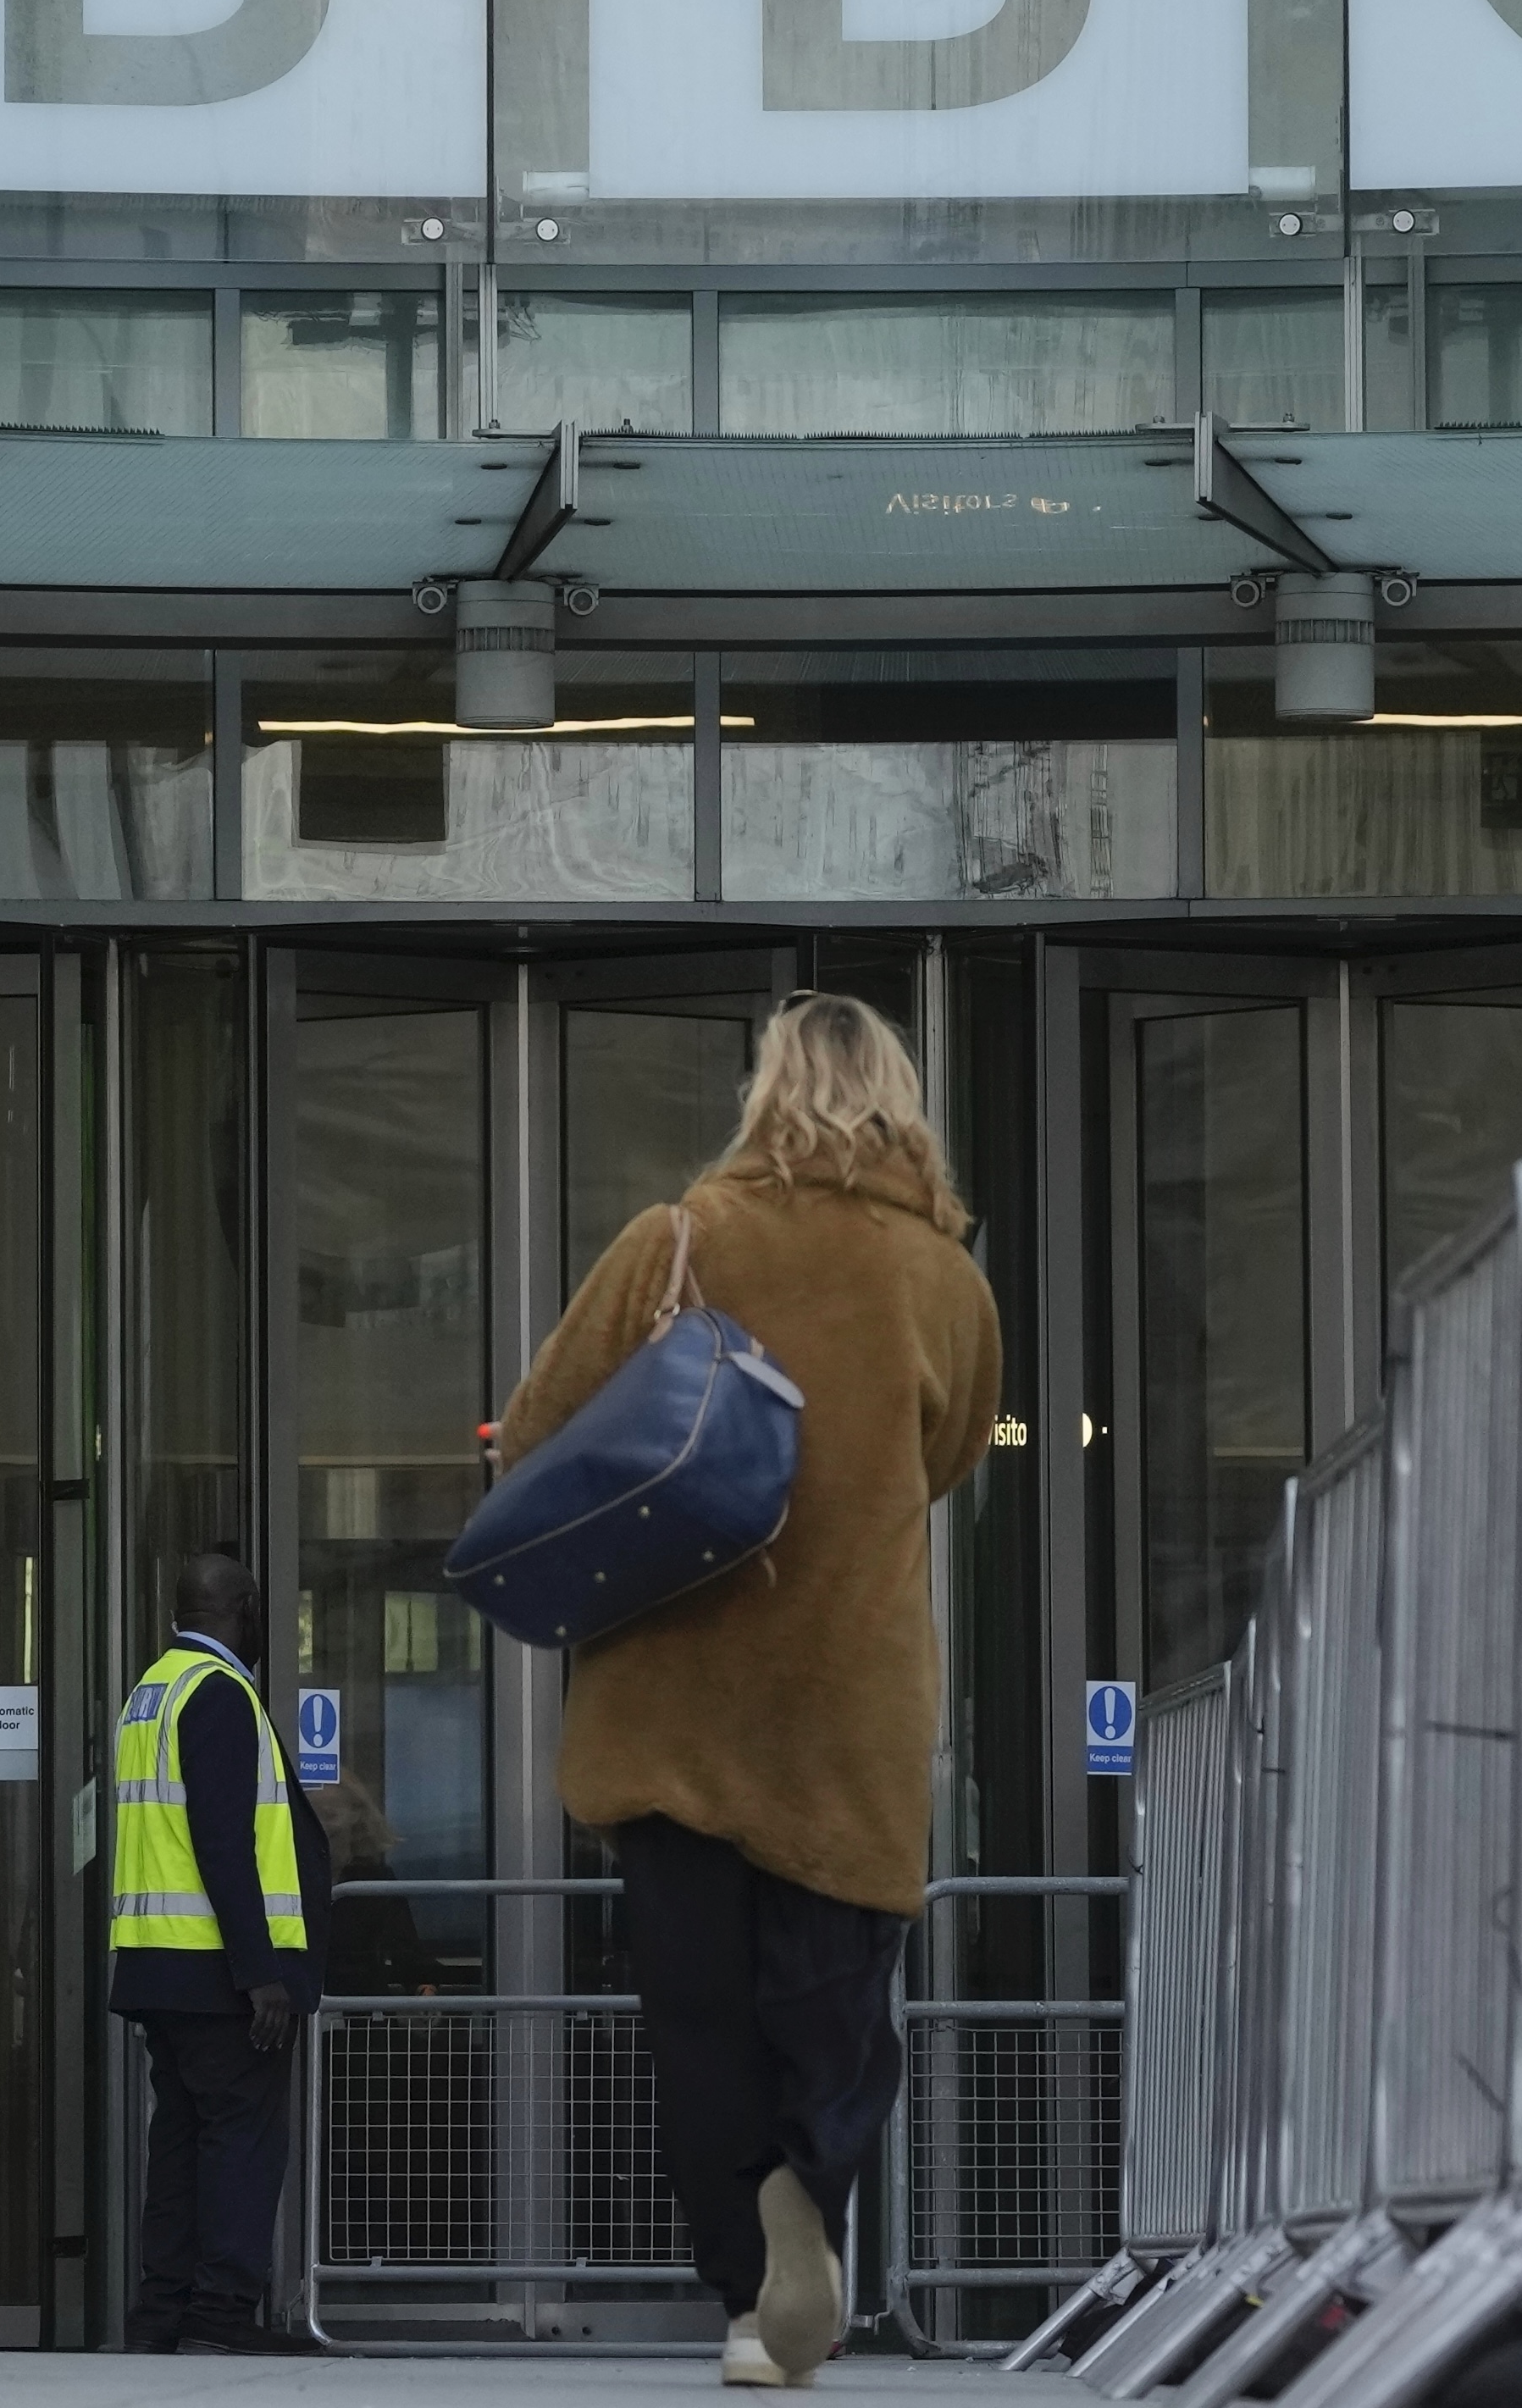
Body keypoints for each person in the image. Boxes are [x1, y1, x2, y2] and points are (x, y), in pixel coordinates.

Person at [497, 998, 1002, 2393]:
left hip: (674, 1700)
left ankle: (743, 2298)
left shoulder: (677, 1236)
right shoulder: (943, 1278)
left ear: (764, 1088)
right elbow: (952, 1453)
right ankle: (809, 2198)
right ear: (900, 1097)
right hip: (849, 1702)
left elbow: (536, 1428)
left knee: (699, 2019)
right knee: (834, 2015)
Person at [106, 1552, 339, 2355]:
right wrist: (260, 1969)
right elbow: (223, 1842)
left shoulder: (152, 1691)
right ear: (246, 1608)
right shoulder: (218, 1692)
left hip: (161, 1964)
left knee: (179, 2145)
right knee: (242, 2140)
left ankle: (162, 2314)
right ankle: (220, 2313)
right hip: (220, 1974)